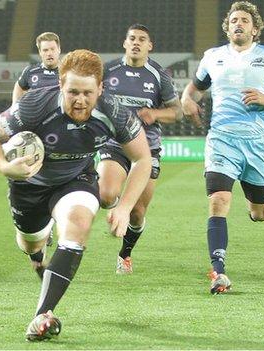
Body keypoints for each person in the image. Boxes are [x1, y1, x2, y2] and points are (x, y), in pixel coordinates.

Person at [0, 49, 151, 341]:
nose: (80, 100)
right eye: (72, 92)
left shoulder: (114, 112)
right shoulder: (35, 104)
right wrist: (6, 167)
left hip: (76, 179)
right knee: (30, 242)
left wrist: (124, 207)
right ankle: (37, 255)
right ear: (60, 85)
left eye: (87, 92)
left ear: (100, 88)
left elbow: (142, 159)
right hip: (28, 185)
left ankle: (42, 315)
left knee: (79, 224)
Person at [181, 1, 264, 294]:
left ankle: (254, 207)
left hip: (256, 145)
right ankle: (218, 271)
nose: (238, 23)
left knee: (260, 213)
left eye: (245, 20)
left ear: (255, 28)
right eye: (234, 19)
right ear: (227, 26)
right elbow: (194, 88)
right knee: (219, 201)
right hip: (222, 140)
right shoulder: (212, 57)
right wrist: (187, 100)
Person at [98, 23, 200, 274]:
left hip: (147, 149)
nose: (136, 42)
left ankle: (125, 254)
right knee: (107, 195)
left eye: (142, 39)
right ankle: (118, 208)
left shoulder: (158, 74)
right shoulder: (108, 69)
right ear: (124, 43)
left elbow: (176, 112)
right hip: (115, 143)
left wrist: (155, 114)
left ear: (149, 46)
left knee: (138, 212)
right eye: (131, 38)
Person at [11, 32, 61, 104]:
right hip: (38, 114)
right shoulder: (31, 71)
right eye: (45, 50)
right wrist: (15, 106)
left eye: (52, 49)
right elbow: (19, 87)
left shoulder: (68, 72)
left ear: (59, 49)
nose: (49, 53)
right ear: (40, 52)